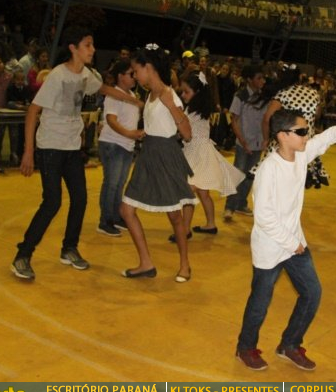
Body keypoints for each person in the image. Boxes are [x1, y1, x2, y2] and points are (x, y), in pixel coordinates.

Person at [10, 27, 142, 280]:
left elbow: (104, 89)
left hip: (71, 148)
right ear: (73, 48)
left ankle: (69, 249)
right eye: (87, 45)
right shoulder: (57, 76)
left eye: (92, 45)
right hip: (50, 147)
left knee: (80, 199)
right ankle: (22, 255)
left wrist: (133, 100)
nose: (93, 49)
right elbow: (32, 111)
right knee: (52, 202)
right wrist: (28, 152)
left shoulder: (86, 74)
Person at [236, 109, 336, 371]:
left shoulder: (302, 154)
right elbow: (264, 217)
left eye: (307, 130)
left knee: (312, 293)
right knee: (260, 302)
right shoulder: (269, 169)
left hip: (295, 243)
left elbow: (333, 134)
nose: (307, 135)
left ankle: (289, 344)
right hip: (271, 248)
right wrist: (293, 244)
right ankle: (245, 348)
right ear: (283, 136)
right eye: (302, 131)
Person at [119, 45, 195, 283]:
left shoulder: (168, 94)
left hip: (166, 156)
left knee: (175, 216)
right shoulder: (150, 95)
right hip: (148, 154)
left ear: (148, 67)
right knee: (126, 210)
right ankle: (146, 263)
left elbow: (187, 134)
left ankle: (185, 265)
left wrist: (171, 106)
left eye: (136, 70)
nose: (134, 75)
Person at [175, 71, 244, 240]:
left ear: (197, 92)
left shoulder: (194, 112)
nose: (183, 95)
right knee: (202, 192)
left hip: (197, 154)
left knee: (188, 191)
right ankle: (210, 224)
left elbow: (186, 134)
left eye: (186, 92)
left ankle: (185, 230)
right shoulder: (199, 109)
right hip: (199, 152)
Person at [260, 65, 328, 189]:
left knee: (277, 182)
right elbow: (317, 115)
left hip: (287, 141)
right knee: (297, 184)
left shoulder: (283, 94)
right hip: (306, 143)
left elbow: (267, 118)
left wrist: (266, 139)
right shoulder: (313, 93)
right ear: (299, 78)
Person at [97, 60, 142, 237]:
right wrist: (129, 133)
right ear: (120, 76)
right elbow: (111, 120)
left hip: (126, 145)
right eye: (131, 74)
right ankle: (105, 221)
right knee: (111, 184)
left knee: (119, 184)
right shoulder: (114, 95)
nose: (134, 77)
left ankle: (115, 217)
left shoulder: (131, 95)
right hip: (113, 144)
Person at [223, 65, 267, 221]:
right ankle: (229, 207)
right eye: (259, 78)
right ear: (249, 80)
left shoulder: (264, 97)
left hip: (258, 143)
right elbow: (234, 120)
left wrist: (266, 139)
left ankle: (241, 204)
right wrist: (242, 141)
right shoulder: (240, 96)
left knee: (250, 175)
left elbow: (266, 120)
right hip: (243, 143)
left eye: (263, 78)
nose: (262, 81)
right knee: (238, 174)